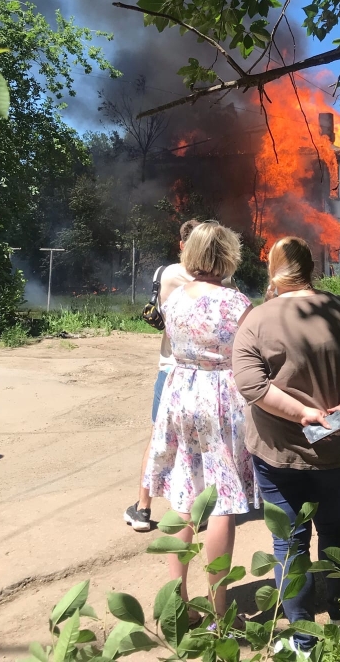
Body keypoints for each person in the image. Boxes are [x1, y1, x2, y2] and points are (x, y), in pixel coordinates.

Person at [233, 237, 340, 654]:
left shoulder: (257, 320)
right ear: (311, 267)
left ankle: (303, 639)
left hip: (277, 451)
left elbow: (250, 384)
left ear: (273, 270)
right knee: (335, 527)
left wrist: (300, 415)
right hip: (335, 448)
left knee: (289, 541)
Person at [143, 222, 257, 621]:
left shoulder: (173, 298)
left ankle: (178, 601)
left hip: (180, 391)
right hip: (220, 395)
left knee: (184, 492)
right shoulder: (235, 302)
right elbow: (250, 355)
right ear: (227, 254)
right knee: (222, 497)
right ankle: (220, 608)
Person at [124, 219, 202, 531]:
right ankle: (196, 506)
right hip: (207, 372)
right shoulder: (222, 279)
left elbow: (157, 313)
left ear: (183, 245)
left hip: (171, 367)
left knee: (159, 437)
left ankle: (143, 508)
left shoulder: (168, 273)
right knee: (200, 441)